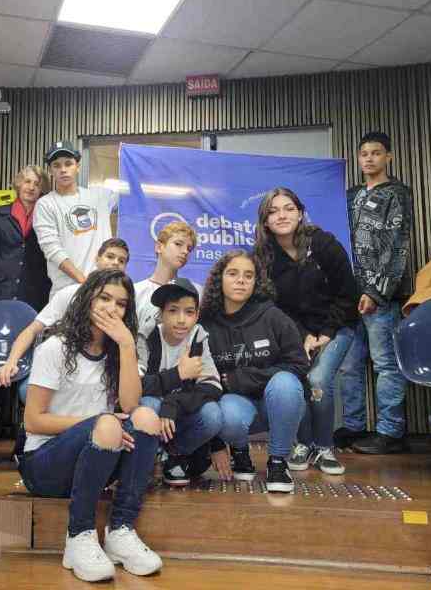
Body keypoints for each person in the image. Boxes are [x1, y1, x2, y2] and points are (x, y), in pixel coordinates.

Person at [19, 269, 163, 582]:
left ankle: (121, 531)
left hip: (97, 453)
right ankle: (79, 535)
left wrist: (126, 345)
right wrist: (96, 423)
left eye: (121, 304)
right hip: (44, 463)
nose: (113, 308)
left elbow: (130, 405)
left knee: (147, 418)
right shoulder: (55, 348)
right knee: (108, 423)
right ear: (87, 301)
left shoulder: (118, 351)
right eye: (104, 298)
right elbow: (32, 420)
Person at [254, 188, 359, 475]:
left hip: (337, 326)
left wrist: (325, 333)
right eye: (273, 211)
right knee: (297, 378)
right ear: (265, 221)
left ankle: (324, 446)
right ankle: (303, 443)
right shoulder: (263, 258)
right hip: (294, 333)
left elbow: (348, 293)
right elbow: (273, 307)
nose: (282, 215)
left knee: (319, 378)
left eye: (288, 208)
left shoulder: (323, 244)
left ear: (300, 213)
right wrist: (301, 336)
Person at [200, 250, 308, 493]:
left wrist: (242, 378)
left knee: (286, 383)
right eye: (233, 274)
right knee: (223, 413)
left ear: (256, 282)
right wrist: (216, 443)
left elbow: (299, 365)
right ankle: (240, 452)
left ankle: (278, 462)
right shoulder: (205, 324)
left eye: (249, 275)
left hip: (278, 403)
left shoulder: (273, 316)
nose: (241, 280)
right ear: (220, 280)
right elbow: (202, 383)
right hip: (239, 405)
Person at [335, 132, 414, 455]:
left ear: (388, 157)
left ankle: (391, 432)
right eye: (364, 153)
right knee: (349, 365)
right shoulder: (349, 195)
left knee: (385, 363)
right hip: (348, 294)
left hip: (381, 295)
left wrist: (376, 290)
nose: (369, 158)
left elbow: (396, 245)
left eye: (376, 153)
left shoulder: (397, 194)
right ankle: (354, 426)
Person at [0, 238, 130, 401]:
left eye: (121, 260)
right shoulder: (69, 293)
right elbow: (33, 329)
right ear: (97, 259)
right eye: (110, 257)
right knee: (28, 392)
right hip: (63, 368)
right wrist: (10, 362)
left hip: (102, 371)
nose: (115, 263)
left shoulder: (125, 302)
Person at [137, 278, 223, 486]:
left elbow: (213, 386)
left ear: (197, 315)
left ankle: (173, 456)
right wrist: (178, 374)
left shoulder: (198, 338)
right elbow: (136, 385)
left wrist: (174, 402)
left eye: (189, 312)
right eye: (173, 311)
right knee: (149, 405)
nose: (181, 320)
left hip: (179, 413)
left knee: (212, 415)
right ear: (161, 314)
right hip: (154, 412)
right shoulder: (146, 335)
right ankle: (147, 456)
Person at [33, 140, 117, 297]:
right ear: (50, 170)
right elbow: (52, 250)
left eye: (68, 164)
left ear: (77, 166)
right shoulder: (45, 204)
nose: (63, 170)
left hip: (104, 291)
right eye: (57, 165)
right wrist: (85, 283)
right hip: (67, 293)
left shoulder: (100, 196)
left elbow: (134, 200)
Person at [0, 165, 51, 312]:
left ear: (42, 189)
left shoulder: (47, 216)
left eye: (37, 184)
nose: (31, 187)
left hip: (34, 291)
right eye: (27, 181)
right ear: (18, 184)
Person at [133, 221, 203, 340]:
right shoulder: (135, 291)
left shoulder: (197, 291)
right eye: (178, 244)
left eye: (189, 248)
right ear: (159, 247)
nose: (185, 251)